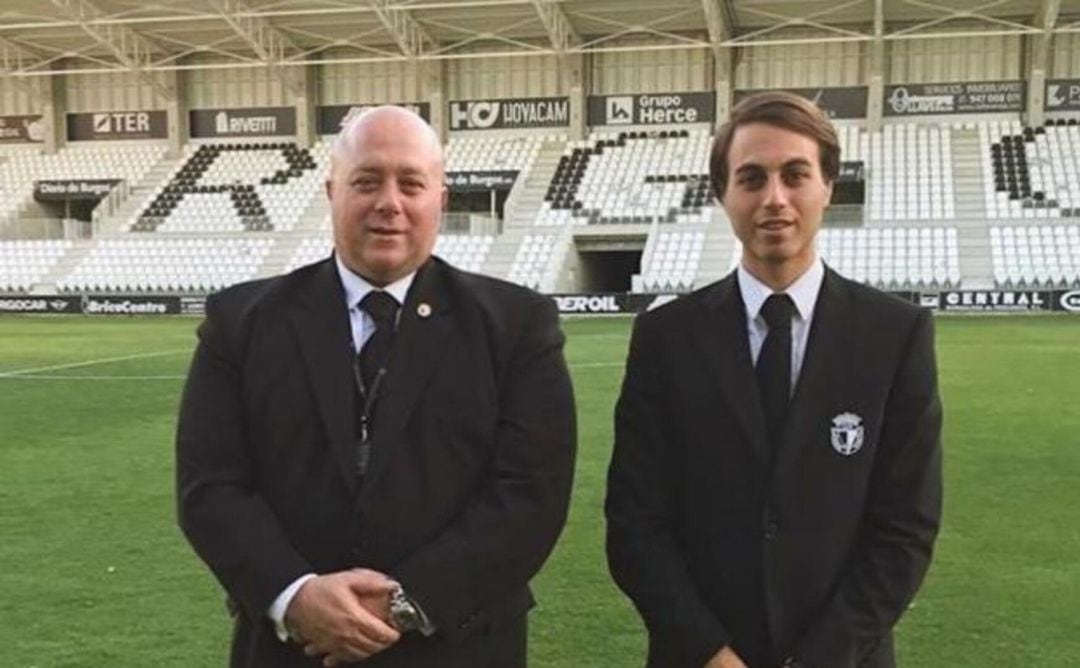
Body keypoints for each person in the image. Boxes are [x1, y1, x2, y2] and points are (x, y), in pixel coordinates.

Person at [176, 106, 576, 668]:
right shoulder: (241, 323)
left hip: (459, 649)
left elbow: (530, 496)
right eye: (367, 181)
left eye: (411, 183)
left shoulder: (516, 326)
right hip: (292, 649)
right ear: (331, 191)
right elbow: (210, 488)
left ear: (440, 198)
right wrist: (297, 597)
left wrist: (405, 604)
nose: (389, 202)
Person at [605, 91, 942, 668]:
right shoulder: (666, 338)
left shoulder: (895, 334)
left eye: (795, 174)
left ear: (827, 185)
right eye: (752, 178)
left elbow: (905, 527)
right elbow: (636, 523)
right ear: (723, 193)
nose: (775, 199)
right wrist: (708, 651)